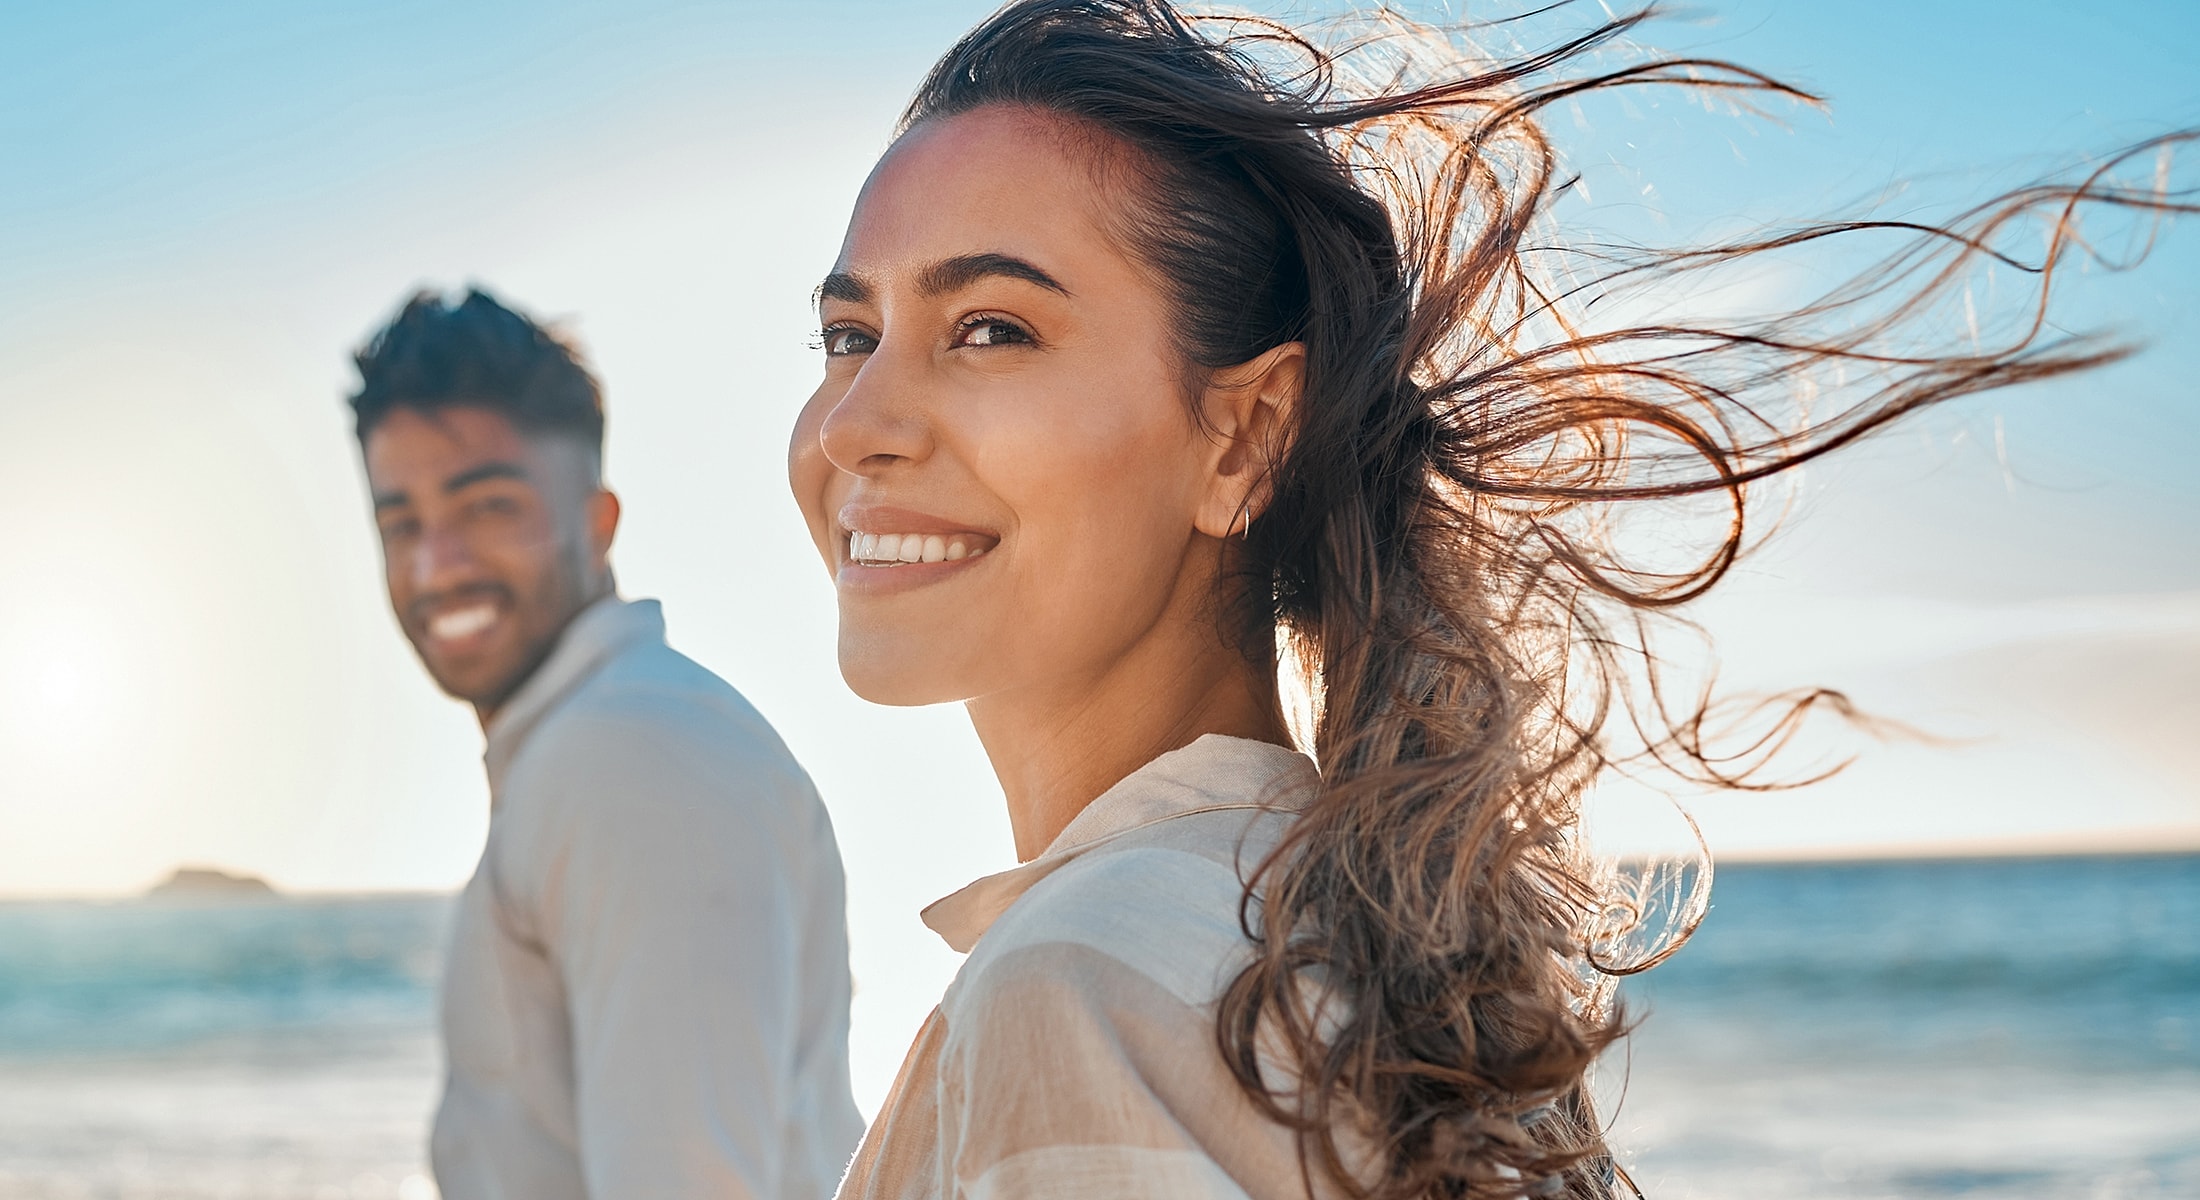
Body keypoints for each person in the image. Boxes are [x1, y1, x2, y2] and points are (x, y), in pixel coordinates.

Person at [788, 2, 2193, 1198]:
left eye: (991, 330)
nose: (856, 422)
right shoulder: (1327, 933)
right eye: (849, 335)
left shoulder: (1090, 982)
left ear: (1245, 436)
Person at [349, 288, 864, 1200]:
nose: (437, 565)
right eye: (403, 524)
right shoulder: (603, 742)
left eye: (488, 508)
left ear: (599, 524)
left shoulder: (634, 754)